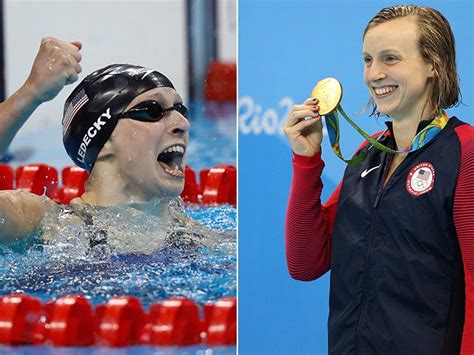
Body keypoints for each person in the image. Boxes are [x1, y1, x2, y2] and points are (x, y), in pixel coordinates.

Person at [283, 5, 473, 355]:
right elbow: (306, 263)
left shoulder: (465, 152)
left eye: (390, 59)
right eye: (368, 60)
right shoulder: (367, 156)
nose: (374, 74)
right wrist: (306, 160)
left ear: (434, 64)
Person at [0, 47, 204, 252]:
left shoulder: (190, 235)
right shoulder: (48, 226)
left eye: (180, 109)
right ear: (103, 139)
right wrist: (31, 92)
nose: (183, 122)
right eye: (153, 110)